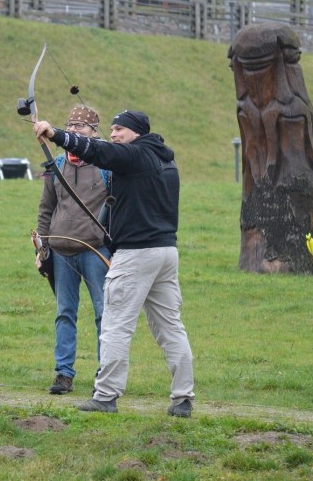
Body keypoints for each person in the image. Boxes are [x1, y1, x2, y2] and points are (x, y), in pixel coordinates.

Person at [33, 110, 195, 417]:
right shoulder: (165, 160)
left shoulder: (134, 156)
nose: (114, 134)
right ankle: (183, 397)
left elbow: (96, 150)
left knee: (115, 325)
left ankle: (106, 395)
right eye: (111, 129)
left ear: (136, 133)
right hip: (165, 252)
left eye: (119, 129)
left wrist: (54, 133)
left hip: (136, 253)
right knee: (170, 327)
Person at [36, 105, 110, 395]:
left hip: (95, 251)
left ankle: (107, 374)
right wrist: (42, 248)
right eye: (71, 125)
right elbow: (46, 209)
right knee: (65, 312)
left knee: (104, 314)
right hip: (61, 251)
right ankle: (63, 374)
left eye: (82, 126)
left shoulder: (106, 166)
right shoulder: (56, 165)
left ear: (94, 132)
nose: (75, 130)